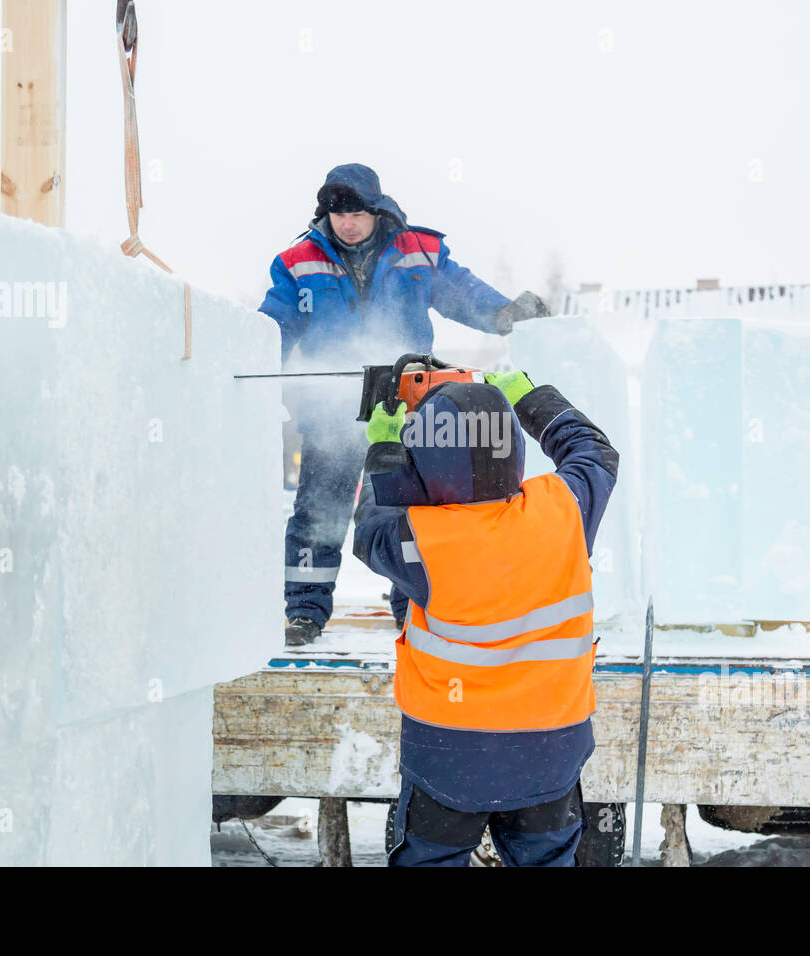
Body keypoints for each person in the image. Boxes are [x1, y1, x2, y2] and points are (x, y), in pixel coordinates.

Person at [258, 164, 548, 646]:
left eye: (355, 212)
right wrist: (245, 357)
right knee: (317, 511)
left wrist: (504, 314)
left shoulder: (419, 252)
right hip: (333, 413)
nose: (346, 222)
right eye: (336, 213)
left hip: (405, 411)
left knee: (406, 509)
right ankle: (305, 612)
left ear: (376, 209)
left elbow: (462, 292)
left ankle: (410, 606)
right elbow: (275, 326)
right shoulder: (296, 262)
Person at [353, 369, 618, 866]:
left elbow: (372, 525)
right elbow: (594, 453)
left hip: (447, 756)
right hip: (550, 750)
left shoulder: (420, 539)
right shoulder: (562, 512)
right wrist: (530, 398)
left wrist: (385, 445)